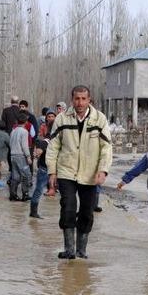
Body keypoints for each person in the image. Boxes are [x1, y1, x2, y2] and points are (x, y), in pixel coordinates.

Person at [46, 85, 112, 259]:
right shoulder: (62, 119)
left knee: (86, 211)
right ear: (72, 100)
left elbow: (106, 148)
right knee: (68, 208)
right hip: (66, 171)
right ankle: (69, 250)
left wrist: (103, 170)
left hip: (90, 173)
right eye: (77, 98)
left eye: (84, 99)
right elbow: (53, 147)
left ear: (89, 100)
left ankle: (81, 250)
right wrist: (52, 172)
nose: (80, 102)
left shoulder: (99, 119)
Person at [9, 111, 32, 201]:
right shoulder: (24, 131)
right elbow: (24, 145)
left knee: (15, 176)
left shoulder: (13, 131)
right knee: (26, 175)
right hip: (21, 156)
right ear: (26, 121)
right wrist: (28, 156)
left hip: (13, 156)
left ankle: (13, 194)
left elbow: (10, 143)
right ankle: (25, 194)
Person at [29, 135, 51, 218]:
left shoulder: (48, 142)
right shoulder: (46, 142)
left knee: (39, 190)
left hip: (50, 170)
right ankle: (33, 212)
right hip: (44, 169)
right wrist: (37, 153)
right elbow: (37, 152)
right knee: (38, 190)